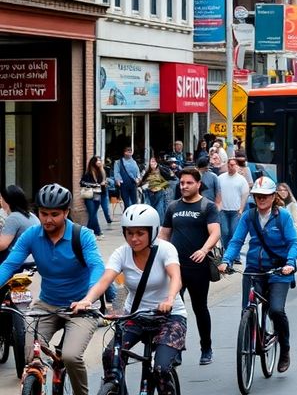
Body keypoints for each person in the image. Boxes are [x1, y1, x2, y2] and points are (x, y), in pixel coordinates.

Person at [71, 204, 187, 395]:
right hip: (135, 316)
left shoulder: (166, 249)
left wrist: (169, 299)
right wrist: (87, 300)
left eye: (140, 233)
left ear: (153, 231)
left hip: (169, 316)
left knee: (161, 369)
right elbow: (105, 280)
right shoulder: (121, 253)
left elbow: (176, 277)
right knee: (110, 356)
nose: (134, 238)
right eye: (130, 233)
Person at [0, 184, 104, 395]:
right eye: (43, 213)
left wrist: (89, 298)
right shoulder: (31, 235)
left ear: (66, 212)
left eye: (55, 214)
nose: (48, 219)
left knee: (71, 356)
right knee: (31, 355)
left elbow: (97, 267)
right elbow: (9, 265)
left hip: (80, 307)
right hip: (47, 305)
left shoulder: (82, 235)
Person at [219, 177, 297, 372]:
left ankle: (285, 349)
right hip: (254, 269)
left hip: (279, 270)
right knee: (247, 309)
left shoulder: (283, 216)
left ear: (273, 197)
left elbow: (293, 243)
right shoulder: (249, 216)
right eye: (257, 196)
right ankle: (255, 333)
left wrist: (289, 263)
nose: (261, 199)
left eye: (265, 196)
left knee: (276, 310)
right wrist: (226, 260)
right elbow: (237, 240)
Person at [159, 167, 221, 365]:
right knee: (174, 309)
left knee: (199, 308)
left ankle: (206, 348)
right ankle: (175, 349)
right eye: (182, 183)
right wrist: (159, 256)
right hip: (175, 267)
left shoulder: (207, 207)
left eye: (189, 183)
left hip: (198, 268)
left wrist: (204, 250)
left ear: (198, 184)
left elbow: (215, 232)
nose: (184, 186)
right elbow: (164, 234)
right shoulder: (173, 207)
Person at [218, 158, 250, 250]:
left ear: (236, 166)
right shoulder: (220, 178)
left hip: (235, 211)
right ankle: (224, 251)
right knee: (224, 232)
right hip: (223, 210)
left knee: (234, 233)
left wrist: (241, 209)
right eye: (229, 165)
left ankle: (235, 254)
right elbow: (217, 193)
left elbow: (245, 195)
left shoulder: (241, 179)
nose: (230, 167)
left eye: (232, 165)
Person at [0, 185, 39, 262]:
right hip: (34, 257)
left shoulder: (14, 217)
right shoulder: (31, 215)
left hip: (20, 260)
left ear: (7, 201)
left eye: (1, 198)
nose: (0, 200)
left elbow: (2, 245)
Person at [276, 183, 297, 255]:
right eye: (280, 190)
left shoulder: (292, 204)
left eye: (285, 190)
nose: (283, 192)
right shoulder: (275, 204)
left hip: (291, 230)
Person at [80, 156, 107, 236]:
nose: (99, 162)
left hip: (98, 195)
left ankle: (87, 232)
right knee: (92, 213)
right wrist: (96, 185)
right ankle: (97, 231)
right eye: (97, 160)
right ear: (93, 162)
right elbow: (82, 182)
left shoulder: (102, 172)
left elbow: (102, 184)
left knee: (93, 214)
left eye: (100, 160)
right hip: (89, 195)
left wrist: (104, 184)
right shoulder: (88, 173)